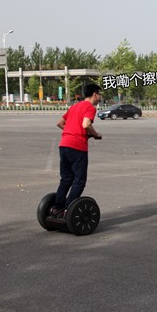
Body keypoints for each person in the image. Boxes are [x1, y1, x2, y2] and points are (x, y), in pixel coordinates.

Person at [49, 84, 103, 218]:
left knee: (66, 179)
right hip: (77, 147)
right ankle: (68, 210)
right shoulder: (90, 108)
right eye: (100, 94)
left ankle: (56, 209)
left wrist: (72, 131)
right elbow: (86, 124)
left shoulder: (74, 106)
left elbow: (60, 123)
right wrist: (96, 134)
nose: (100, 97)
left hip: (64, 145)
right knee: (79, 181)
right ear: (95, 94)